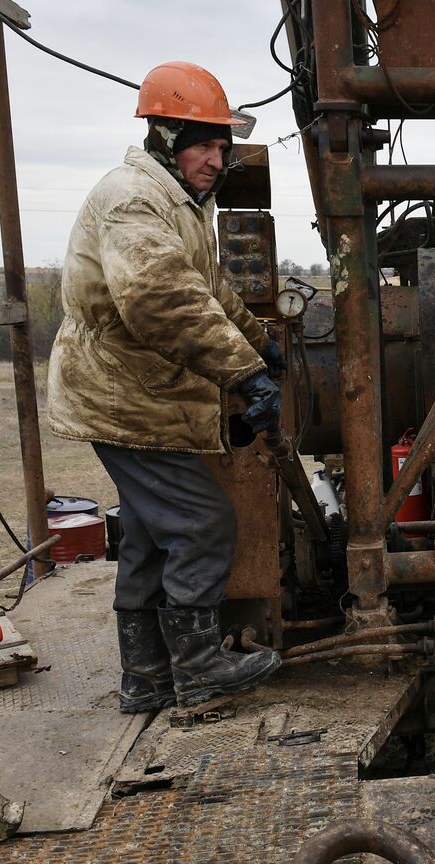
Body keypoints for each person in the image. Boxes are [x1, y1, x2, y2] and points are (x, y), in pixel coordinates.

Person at [47, 62, 283, 711]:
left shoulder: (182, 202)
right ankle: (199, 669)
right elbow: (162, 299)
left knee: (151, 534)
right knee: (203, 523)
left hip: (141, 396)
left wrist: (258, 342)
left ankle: (147, 677)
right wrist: (244, 373)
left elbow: (208, 288)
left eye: (222, 148)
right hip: (123, 396)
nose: (216, 160)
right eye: (203, 145)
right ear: (166, 137)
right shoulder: (134, 198)